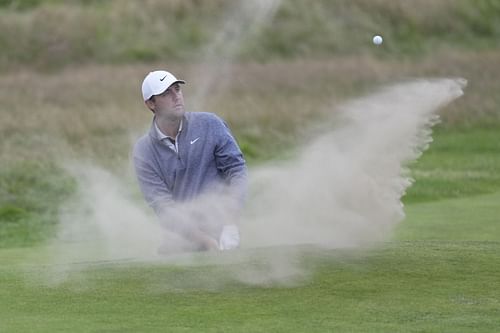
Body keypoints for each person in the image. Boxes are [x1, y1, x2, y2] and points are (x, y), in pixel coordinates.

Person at [133, 70, 248, 252]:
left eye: (177, 89)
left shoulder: (210, 124)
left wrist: (231, 224)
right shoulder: (144, 151)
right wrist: (204, 241)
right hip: (182, 238)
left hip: (221, 228)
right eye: (166, 93)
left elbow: (236, 171)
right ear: (150, 103)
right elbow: (163, 206)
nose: (176, 97)